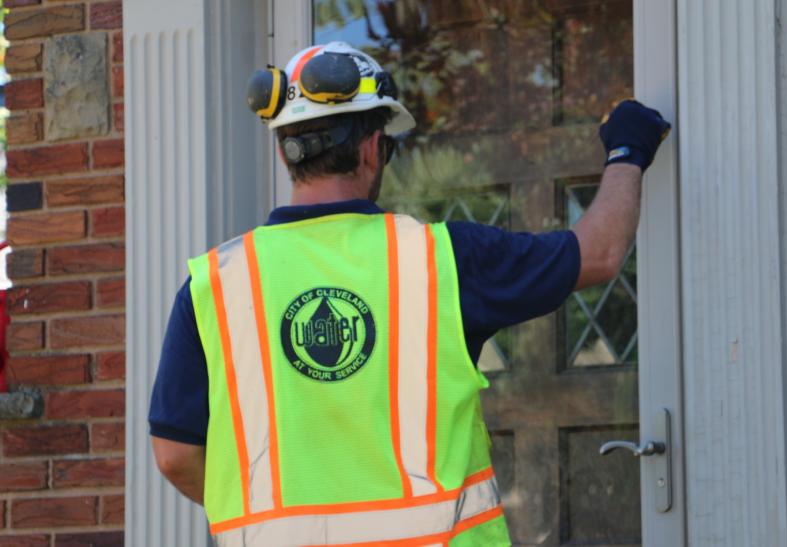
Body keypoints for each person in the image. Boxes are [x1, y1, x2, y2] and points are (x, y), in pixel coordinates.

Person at [149, 41, 670, 546]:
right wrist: (629, 150)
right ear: (374, 148)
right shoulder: (443, 260)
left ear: (288, 153)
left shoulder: (214, 286)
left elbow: (174, 455)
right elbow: (598, 252)